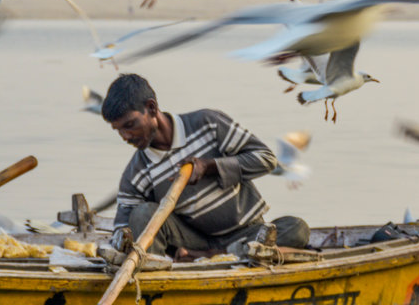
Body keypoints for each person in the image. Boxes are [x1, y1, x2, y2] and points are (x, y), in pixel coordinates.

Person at [101, 73, 309, 260]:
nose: (125, 136)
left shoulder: (208, 124)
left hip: (247, 232)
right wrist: (123, 243)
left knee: (296, 229)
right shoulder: (136, 173)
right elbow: (122, 228)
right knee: (142, 213)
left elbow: (266, 159)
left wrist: (210, 166)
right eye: (118, 130)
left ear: (152, 108)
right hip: (194, 240)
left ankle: (213, 256)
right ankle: (159, 278)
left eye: (130, 125)